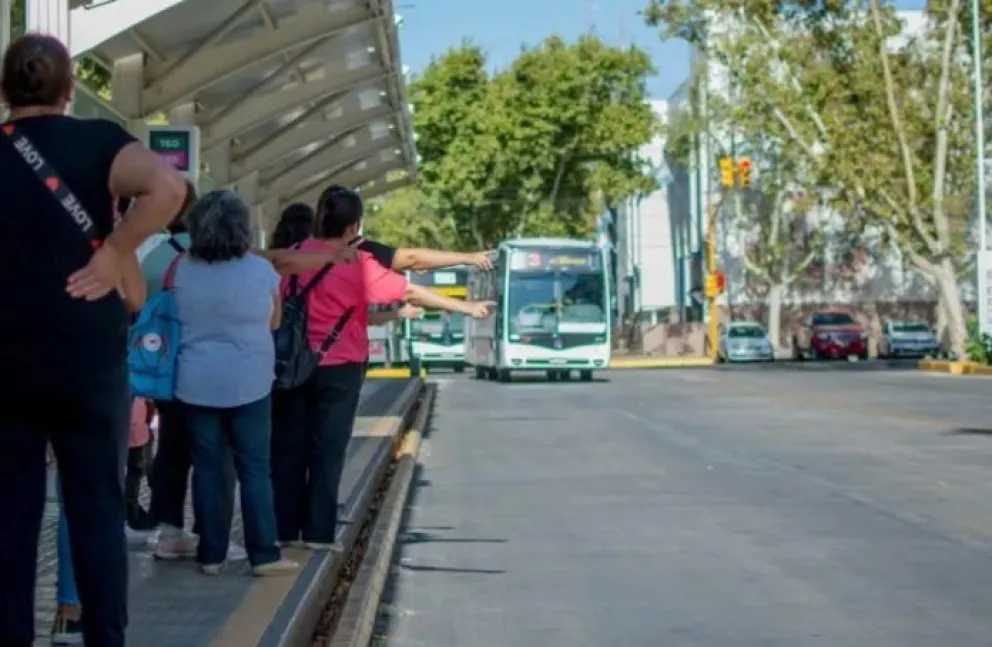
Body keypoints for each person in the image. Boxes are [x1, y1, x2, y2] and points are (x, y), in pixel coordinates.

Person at [0, 33, 186, 647]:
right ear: (69, 89)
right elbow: (168, 189)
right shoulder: (100, 143)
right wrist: (113, 253)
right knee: (96, 512)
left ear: (5, 90)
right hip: (88, 361)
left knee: (10, 520)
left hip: (8, 362)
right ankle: (105, 638)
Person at [270, 185, 494, 549]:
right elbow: (408, 291)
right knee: (328, 448)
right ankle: (318, 533)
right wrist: (467, 309)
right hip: (339, 368)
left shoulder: (293, 255)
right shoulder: (357, 264)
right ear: (353, 227)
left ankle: (282, 530)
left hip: (291, 365)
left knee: (289, 447)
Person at [172, 189, 298, 576]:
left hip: (195, 383)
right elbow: (274, 322)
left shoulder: (183, 268)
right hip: (250, 383)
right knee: (255, 470)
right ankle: (264, 555)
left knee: (208, 469)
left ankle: (211, 554)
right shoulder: (261, 272)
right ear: (242, 229)